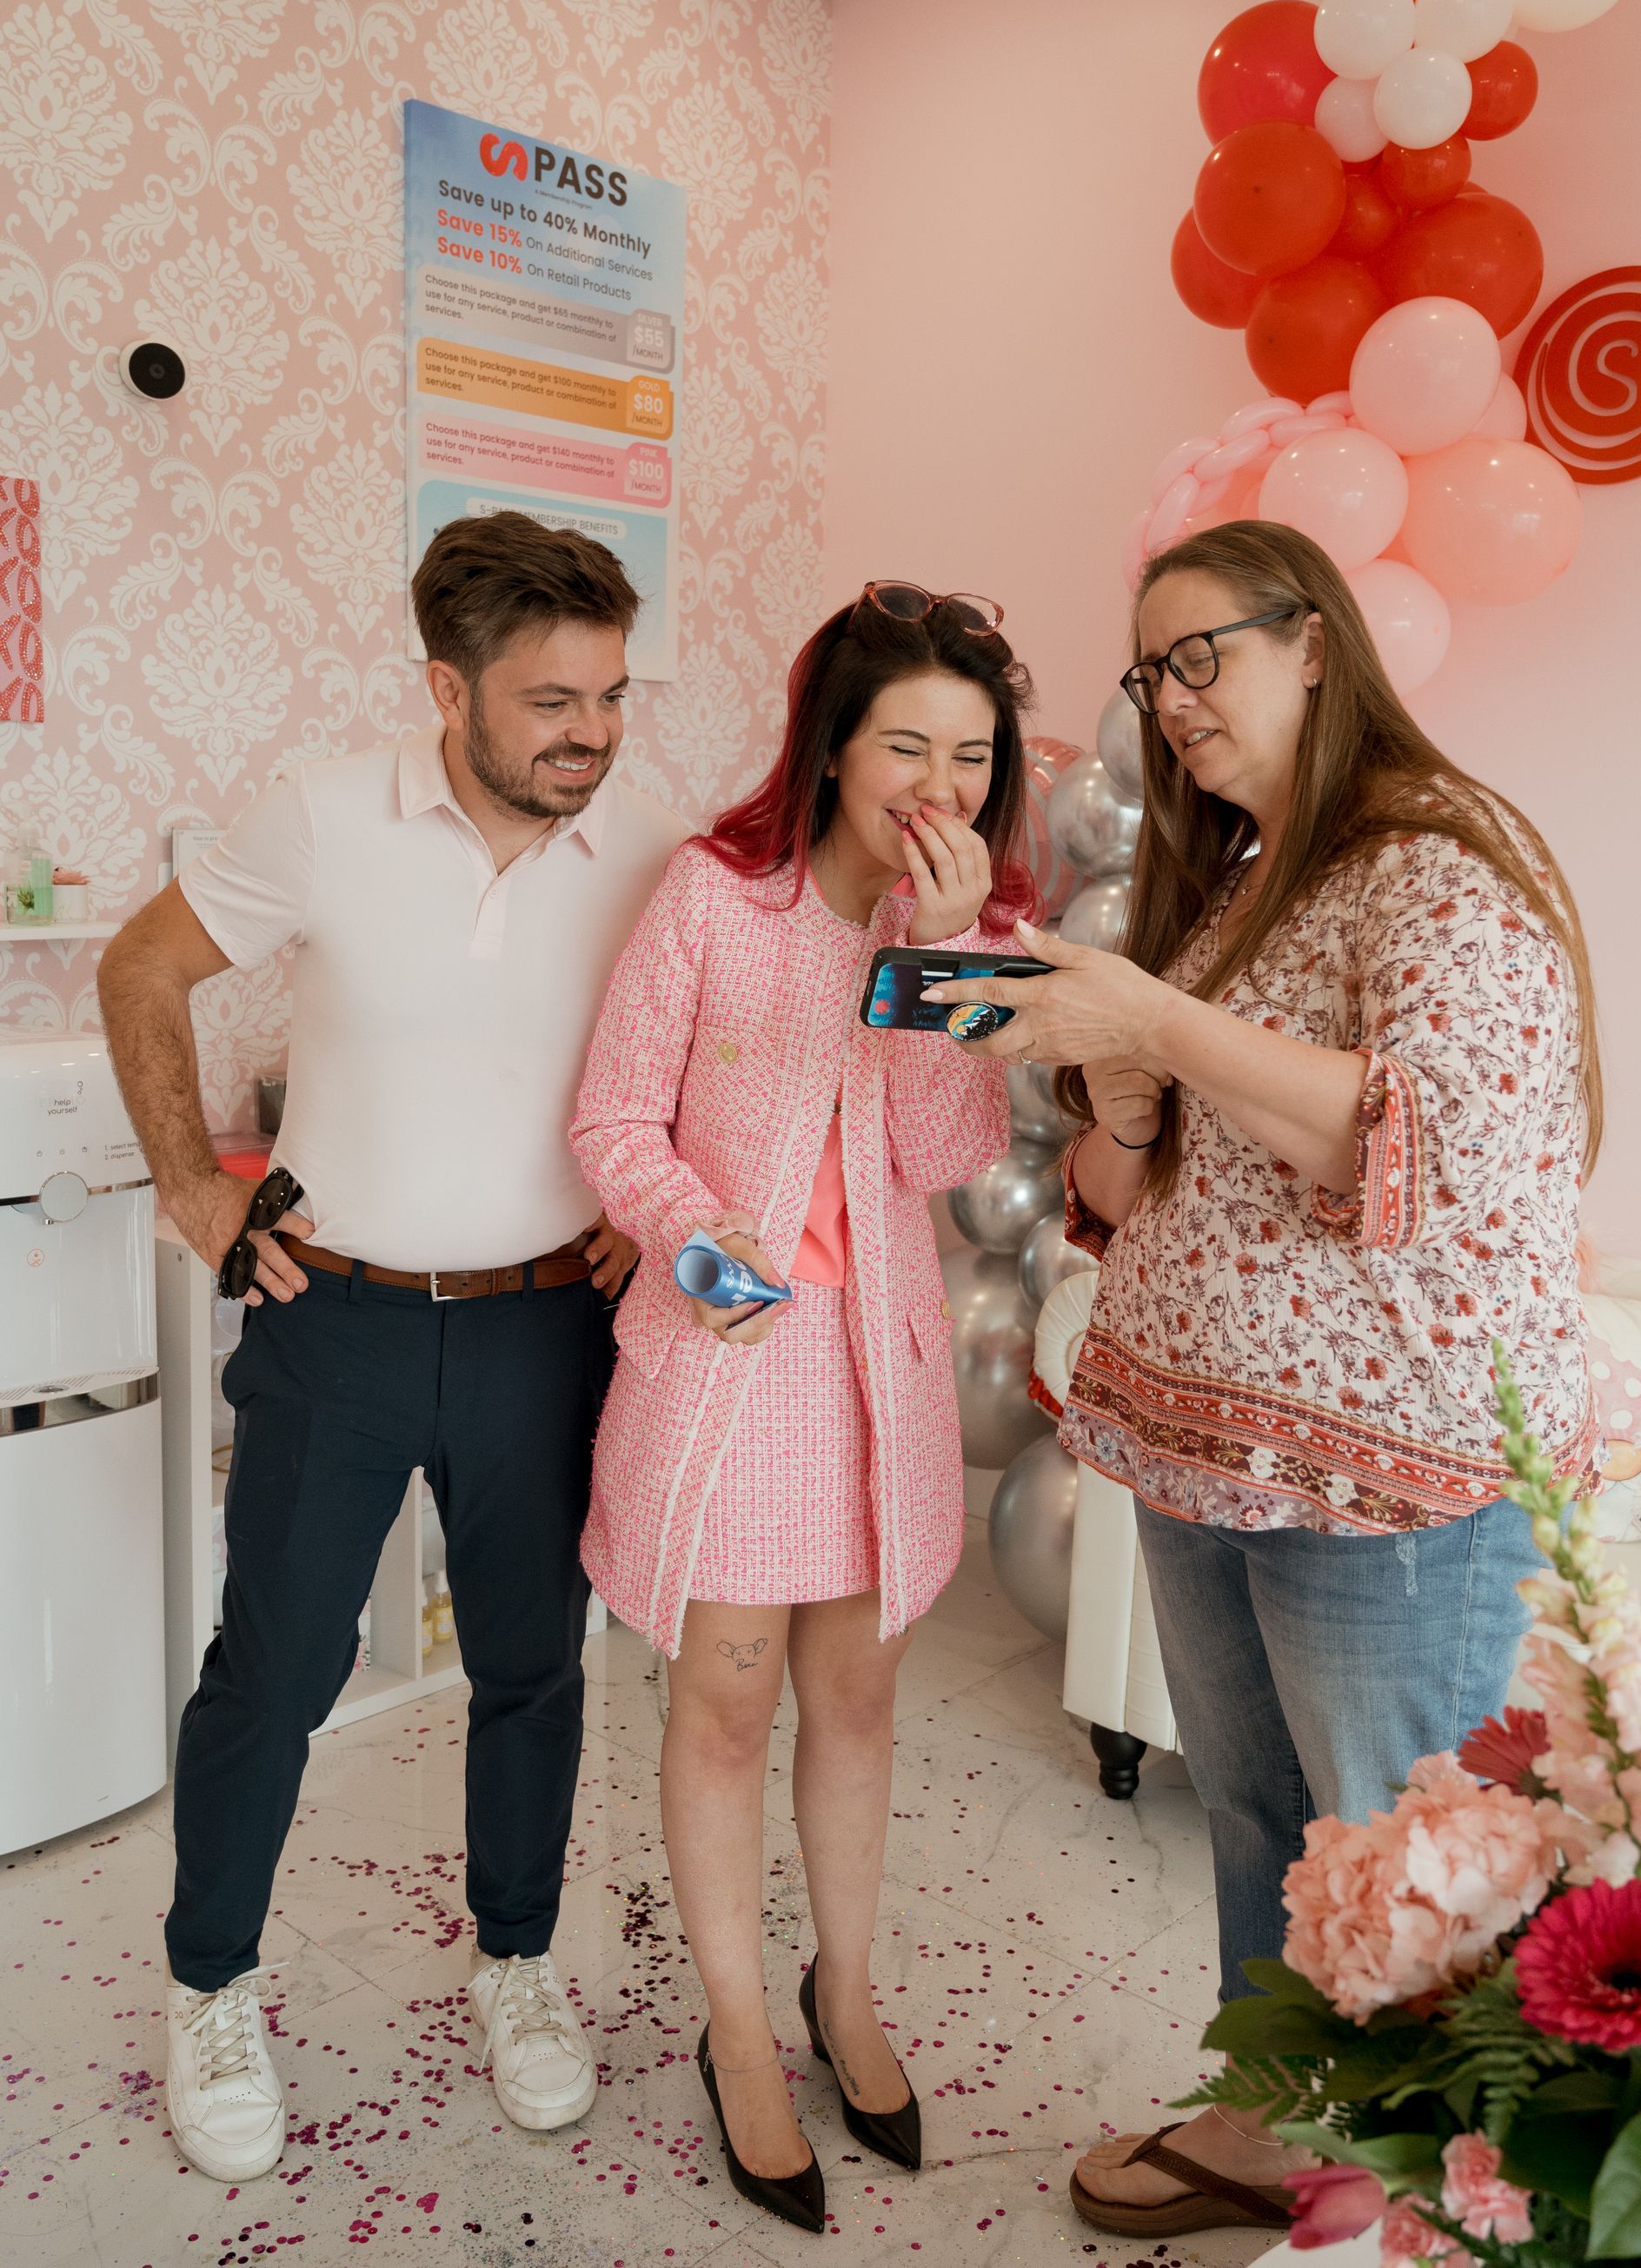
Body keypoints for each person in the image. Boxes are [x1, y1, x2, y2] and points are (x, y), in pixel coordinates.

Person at [925, 520, 1599, 2242]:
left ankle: (1416, 2207)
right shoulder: (1234, 882)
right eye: (1152, 674)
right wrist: (1117, 1077)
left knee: (1399, 1867)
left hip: (1389, 1487)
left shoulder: (1444, 860)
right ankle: (1272, 2129)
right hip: (1202, 1460)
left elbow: (1434, 1143)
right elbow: (1149, 1197)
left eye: (1201, 654)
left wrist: (1152, 1023)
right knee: (1262, 1823)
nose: (1172, 699)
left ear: (1316, 641)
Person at [96, 514, 684, 2182]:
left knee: (532, 1670)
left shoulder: (645, 853)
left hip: (542, 1330)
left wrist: (647, 1212)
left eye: (612, 693)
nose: (592, 730)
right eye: (551, 698)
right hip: (329, 1319)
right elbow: (145, 968)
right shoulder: (322, 820)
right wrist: (194, 1200)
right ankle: (209, 1982)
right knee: (271, 1679)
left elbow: (698, 1047)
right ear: (449, 685)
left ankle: (517, 1962)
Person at [569, 583, 1032, 2234]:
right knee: (728, 1702)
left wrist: (943, 959)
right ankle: (741, 2027)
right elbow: (614, 1115)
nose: (939, 781)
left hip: (877, 1373)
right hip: (733, 1358)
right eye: (905, 740)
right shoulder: (712, 896)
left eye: (972, 753)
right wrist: (700, 1245)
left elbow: (940, 1157)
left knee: (857, 1700)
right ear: (832, 745)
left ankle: (848, 1995)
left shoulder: (966, 933)